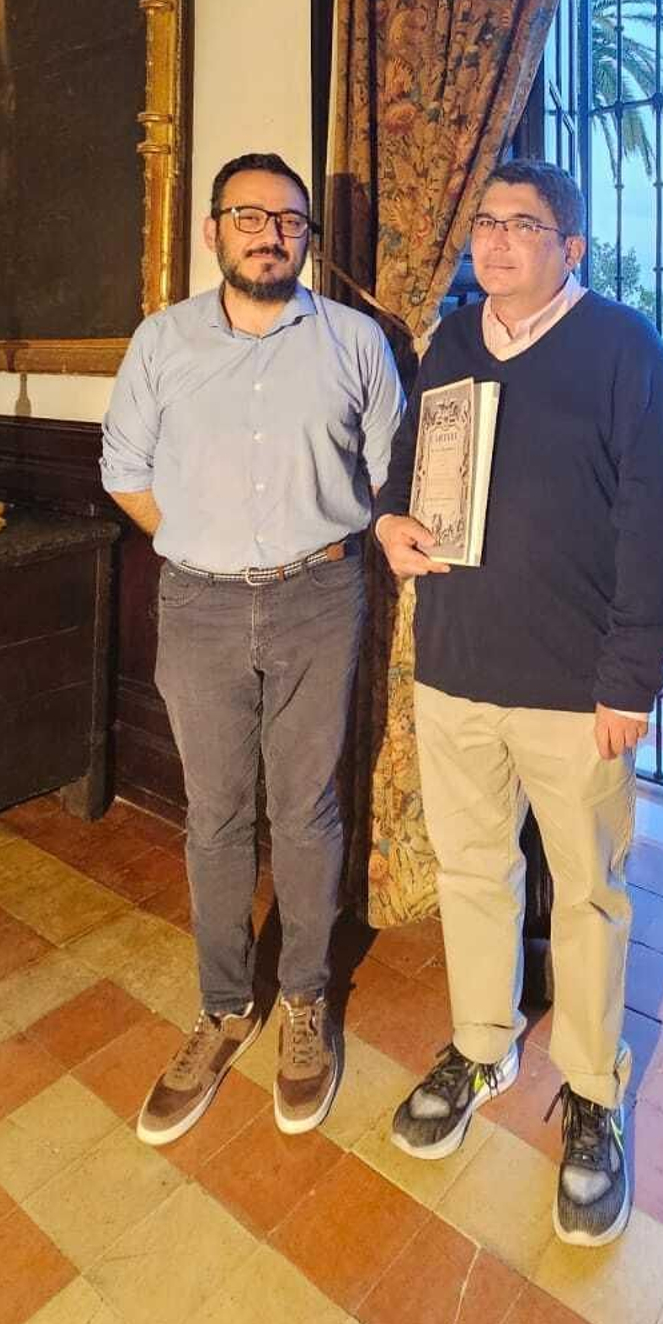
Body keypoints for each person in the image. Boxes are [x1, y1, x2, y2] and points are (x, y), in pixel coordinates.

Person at [375, 158, 663, 1247]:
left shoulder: (622, 347)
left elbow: (658, 525)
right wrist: (389, 520)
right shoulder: (452, 344)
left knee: (589, 892)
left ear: (573, 247)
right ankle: (481, 1043)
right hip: (457, 667)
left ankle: (594, 1090)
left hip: (574, 689)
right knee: (473, 869)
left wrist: (630, 680)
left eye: (523, 223)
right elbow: (410, 464)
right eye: (485, 222)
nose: (497, 240)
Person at [102, 151, 403, 1144]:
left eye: (289, 220)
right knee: (218, 814)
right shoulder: (163, 341)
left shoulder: (355, 341)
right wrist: (205, 544)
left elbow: (391, 471)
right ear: (213, 231)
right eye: (250, 216)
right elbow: (124, 472)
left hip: (321, 596)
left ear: (307, 236)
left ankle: (306, 999)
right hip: (198, 606)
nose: (271, 234)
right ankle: (226, 1007)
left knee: (308, 808)